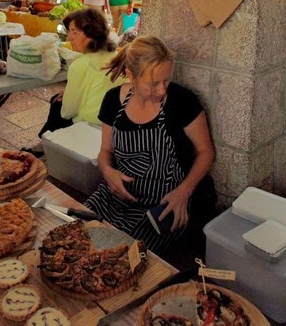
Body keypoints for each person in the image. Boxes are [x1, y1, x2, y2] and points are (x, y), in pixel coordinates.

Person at [84, 36, 216, 255]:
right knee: (78, 231)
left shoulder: (182, 102)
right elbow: (105, 151)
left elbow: (206, 152)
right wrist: (107, 172)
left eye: (166, 80)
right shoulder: (113, 101)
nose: (163, 90)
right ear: (131, 75)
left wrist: (184, 191)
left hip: (164, 203)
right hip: (116, 197)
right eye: (153, 83)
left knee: (126, 256)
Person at [38, 8, 127, 138]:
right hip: (114, 124)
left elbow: (67, 113)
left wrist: (69, 95)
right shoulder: (117, 56)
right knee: (59, 99)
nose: (69, 38)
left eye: (75, 32)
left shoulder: (80, 65)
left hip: (89, 125)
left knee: (57, 104)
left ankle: (45, 143)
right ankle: (43, 143)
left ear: (92, 34)